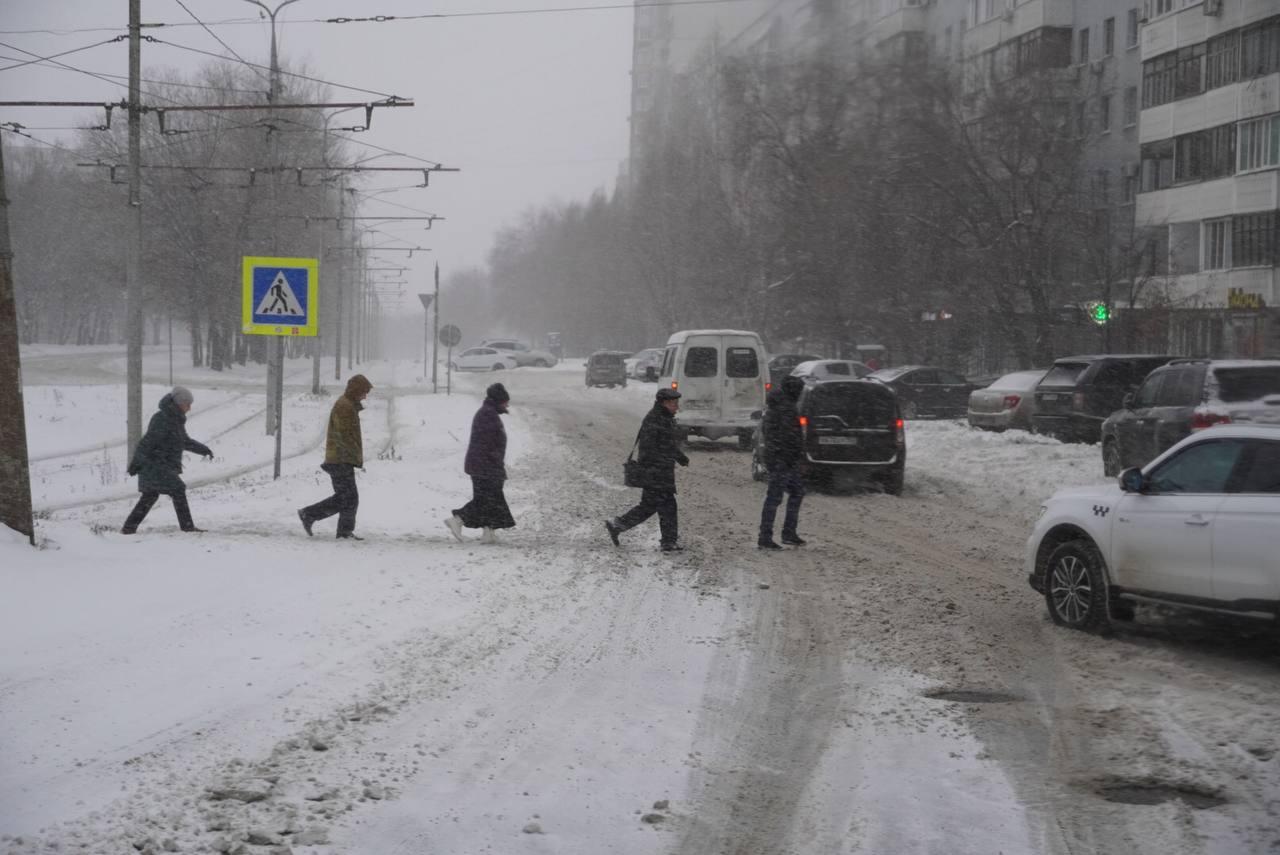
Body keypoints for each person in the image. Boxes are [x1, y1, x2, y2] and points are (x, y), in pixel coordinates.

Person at [605, 387, 689, 552]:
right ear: (665, 403)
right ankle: (666, 541)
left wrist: (678, 457)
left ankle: (620, 525)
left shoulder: (663, 417)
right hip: (656, 472)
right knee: (661, 505)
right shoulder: (656, 419)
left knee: (655, 506)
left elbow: (666, 444)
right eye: (674, 403)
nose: (676, 407)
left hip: (658, 471)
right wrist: (665, 462)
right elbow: (652, 448)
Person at [121, 386, 214, 534]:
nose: (189, 408)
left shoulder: (175, 419)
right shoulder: (162, 418)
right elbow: (148, 442)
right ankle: (187, 527)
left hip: (160, 466)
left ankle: (128, 529)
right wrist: (136, 463)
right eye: (187, 404)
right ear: (178, 403)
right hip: (154, 465)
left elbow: (184, 441)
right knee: (178, 489)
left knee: (150, 496)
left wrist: (204, 449)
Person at [299, 374, 372, 540]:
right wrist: (348, 458)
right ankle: (310, 515)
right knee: (349, 498)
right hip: (340, 460)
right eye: (363, 392)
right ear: (356, 390)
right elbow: (344, 436)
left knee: (347, 498)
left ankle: (317, 518)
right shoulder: (344, 406)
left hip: (342, 459)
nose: (365, 396)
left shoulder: (348, 404)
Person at [445, 383, 516, 544]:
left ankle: (488, 533)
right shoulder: (487, 415)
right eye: (505, 401)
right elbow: (488, 444)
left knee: (492, 499)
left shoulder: (489, 413)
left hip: (484, 465)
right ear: (498, 401)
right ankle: (457, 519)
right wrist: (496, 461)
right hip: (484, 466)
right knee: (486, 500)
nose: (507, 405)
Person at [757, 374, 807, 549]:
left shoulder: (779, 405)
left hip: (782, 459)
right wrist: (792, 456)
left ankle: (785, 533)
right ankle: (767, 536)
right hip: (783, 460)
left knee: (795, 493)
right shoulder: (785, 408)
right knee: (776, 498)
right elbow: (788, 436)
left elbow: (777, 435)